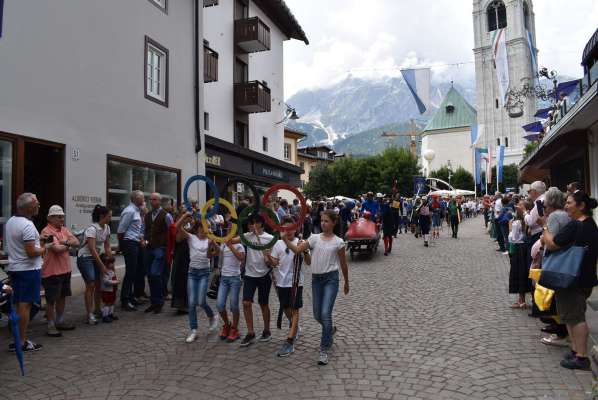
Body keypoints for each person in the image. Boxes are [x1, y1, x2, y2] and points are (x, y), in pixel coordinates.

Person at [283, 210, 349, 366]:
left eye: (326, 221)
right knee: (317, 315)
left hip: (331, 280)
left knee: (325, 313)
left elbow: (343, 264)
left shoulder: (338, 242)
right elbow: (298, 250)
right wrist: (286, 240)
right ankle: (329, 329)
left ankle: (324, 349)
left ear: (333, 223)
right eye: (322, 220)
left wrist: (346, 282)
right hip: (316, 280)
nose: (323, 223)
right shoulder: (313, 238)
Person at [542, 191, 598, 370]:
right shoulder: (591, 224)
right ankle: (575, 351)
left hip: (570, 278)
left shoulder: (575, 226)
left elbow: (552, 243)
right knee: (571, 315)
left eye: (569, 202)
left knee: (575, 317)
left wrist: (545, 229)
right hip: (585, 276)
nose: (566, 205)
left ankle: (581, 357)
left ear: (581, 206)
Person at [5, 193, 45, 352]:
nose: (39, 206)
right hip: (28, 269)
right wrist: (44, 248)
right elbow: (31, 252)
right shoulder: (27, 225)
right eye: (37, 204)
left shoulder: (11, 221)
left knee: (20, 304)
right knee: (26, 305)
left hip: (16, 267)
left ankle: (18, 337)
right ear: (29, 207)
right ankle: (21, 341)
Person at [268, 216, 311, 357]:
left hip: (296, 282)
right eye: (286, 228)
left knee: (295, 309)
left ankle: (290, 341)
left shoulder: (301, 242)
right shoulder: (278, 244)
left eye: (291, 227)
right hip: (282, 282)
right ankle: (295, 326)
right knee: (286, 308)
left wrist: (305, 252)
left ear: (296, 228)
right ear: (282, 229)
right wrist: (267, 255)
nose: (289, 231)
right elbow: (274, 263)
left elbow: (308, 262)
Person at [175, 212, 220, 343]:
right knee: (192, 303)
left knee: (201, 301)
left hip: (204, 272)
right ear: (199, 227)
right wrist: (184, 216)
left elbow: (212, 255)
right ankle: (193, 330)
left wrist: (213, 244)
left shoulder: (209, 240)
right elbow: (176, 227)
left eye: (207, 227)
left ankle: (212, 317)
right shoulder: (191, 237)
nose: (205, 229)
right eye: (203, 227)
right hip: (192, 272)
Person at [40, 205, 79, 337]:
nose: (62, 219)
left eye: (62, 216)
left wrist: (65, 242)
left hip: (64, 269)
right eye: (58, 216)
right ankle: (50, 325)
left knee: (62, 297)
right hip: (52, 271)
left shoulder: (64, 229)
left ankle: (60, 321)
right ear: (50, 218)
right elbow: (56, 249)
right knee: (51, 299)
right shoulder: (46, 232)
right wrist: (67, 243)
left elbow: (77, 241)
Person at [239, 213, 274, 347]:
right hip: (249, 274)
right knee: (246, 303)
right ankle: (250, 332)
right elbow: (233, 239)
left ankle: (266, 330)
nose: (252, 225)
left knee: (263, 304)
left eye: (254, 222)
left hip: (264, 274)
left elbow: (272, 259)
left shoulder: (270, 238)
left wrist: (268, 258)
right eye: (250, 223)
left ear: (261, 224)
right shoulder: (247, 237)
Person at [77, 205, 113, 324]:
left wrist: (110, 260)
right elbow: (92, 249)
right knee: (91, 283)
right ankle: (89, 314)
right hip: (85, 257)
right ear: (102, 216)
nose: (110, 218)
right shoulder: (92, 229)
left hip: (95, 257)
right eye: (109, 216)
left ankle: (97, 309)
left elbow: (107, 245)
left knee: (98, 284)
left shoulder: (106, 227)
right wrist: (102, 266)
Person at [143, 192, 174, 314]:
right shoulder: (147, 215)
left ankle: (159, 301)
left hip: (161, 248)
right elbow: (145, 230)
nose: (152, 201)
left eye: (154, 199)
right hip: (149, 247)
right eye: (150, 199)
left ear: (159, 201)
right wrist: (144, 240)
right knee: (150, 275)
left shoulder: (166, 216)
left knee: (155, 274)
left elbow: (172, 231)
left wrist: (170, 249)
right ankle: (154, 302)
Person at [117, 191, 145, 311]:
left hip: (136, 242)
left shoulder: (137, 210)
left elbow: (137, 228)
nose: (144, 200)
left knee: (137, 271)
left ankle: (131, 296)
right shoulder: (129, 211)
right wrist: (122, 245)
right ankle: (125, 299)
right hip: (130, 243)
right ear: (136, 199)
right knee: (130, 272)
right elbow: (120, 230)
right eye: (142, 198)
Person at [216, 237, 245, 343]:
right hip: (223, 278)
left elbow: (241, 258)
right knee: (219, 304)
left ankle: (234, 329)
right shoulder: (223, 245)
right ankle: (227, 324)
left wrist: (231, 246)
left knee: (233, 305)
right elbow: (218, 255)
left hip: (235, 278)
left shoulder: (239, 245)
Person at [507, 199, 531, 309]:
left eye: (520, 205)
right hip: (528, 248)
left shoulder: (516, 222)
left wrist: (510, 228)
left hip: (519, 249)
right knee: (526, 273)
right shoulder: (528, 219)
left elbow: (513, 238)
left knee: (519, 273)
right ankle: (529, 299)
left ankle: (521, 300)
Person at [99, 254, 119, 323]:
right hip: (107, 290)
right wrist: (115, 282)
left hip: (112, 290)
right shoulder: (105, 272)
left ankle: (110, 314)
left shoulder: (111, 270)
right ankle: (105, 316)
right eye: (111, 263)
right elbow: (106, 281)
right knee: (107, 303)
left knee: (112, 302)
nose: (112, 265)